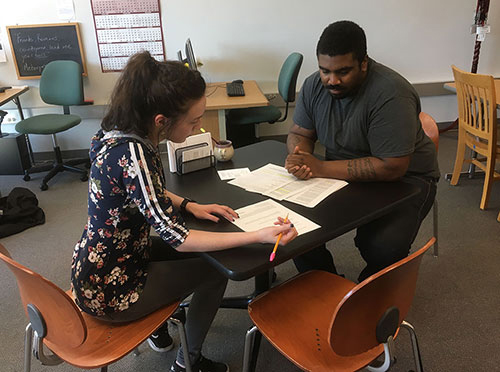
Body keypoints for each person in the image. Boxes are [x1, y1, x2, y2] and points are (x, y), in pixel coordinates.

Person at [71, 51, 297, 372]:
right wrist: (256, 235)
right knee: (215, 271)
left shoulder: (117, 133)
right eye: (193, 121)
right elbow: (177, 238)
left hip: (99, 263)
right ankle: (186, 362)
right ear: (161, 120)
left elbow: (144, 190)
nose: (198, 126)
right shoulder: (135, 153)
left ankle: (158, 325)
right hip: (111, 290)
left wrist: (190, 205)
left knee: (203, 257)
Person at [285, 20, 439, 282]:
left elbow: (392, 166)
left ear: (364, 63)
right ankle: (326, 286)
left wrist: (318, 166)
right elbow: (299, 133)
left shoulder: (391, 93)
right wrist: (300, 156)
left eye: (343, 72)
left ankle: (365, 296)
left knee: (381, 246)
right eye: (325, 70)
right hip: (340, 172)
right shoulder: (314, 85)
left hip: (408, 180)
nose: (332, 80)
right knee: (293, 227)